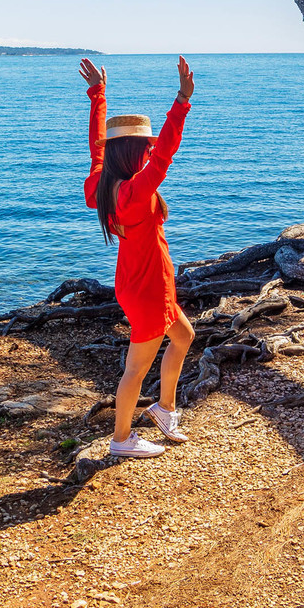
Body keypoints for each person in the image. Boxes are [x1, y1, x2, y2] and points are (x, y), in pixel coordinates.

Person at [81, 55, 196, 461]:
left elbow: (97, 149)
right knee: (135, 370)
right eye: (144, 146)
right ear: (133, 151)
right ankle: (122, 439)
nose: (150, 151)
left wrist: (98, 95)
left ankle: (165, 410)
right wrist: (181, 101)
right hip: (148, 288)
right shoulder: (135, 191)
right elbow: (166, 153)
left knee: (183, 337)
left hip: (140, 281)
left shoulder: (102, 185)